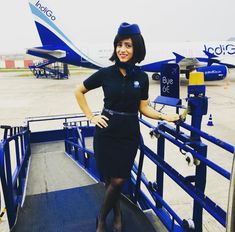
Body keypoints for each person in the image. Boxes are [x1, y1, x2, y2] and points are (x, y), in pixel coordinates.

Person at [74, 22, 179, 232]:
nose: (122, 49)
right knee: (110, 179)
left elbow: (144, 108)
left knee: (119, 179)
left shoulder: (142, 77)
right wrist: (90, 116)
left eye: (128, 45)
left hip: (128, 134)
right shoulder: (106, 73)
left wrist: (164, 116)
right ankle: (112, 217)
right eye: (119, 45)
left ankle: (101, 218)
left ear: (136, 48)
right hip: (106, 132)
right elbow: (79, 91)